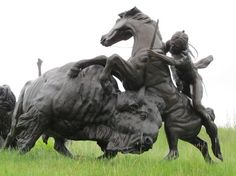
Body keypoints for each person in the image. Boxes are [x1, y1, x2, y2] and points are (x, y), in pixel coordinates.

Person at [148, 31, 214, 121]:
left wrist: (155, 55)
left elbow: (172, 61)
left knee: (197, 105)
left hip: (193, 82)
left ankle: (208, 121)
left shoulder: (184, 58)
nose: (172, 47)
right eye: (172, 43)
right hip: (181, 80)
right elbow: (163, 49)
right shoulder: (171, 43)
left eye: (175, 46)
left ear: (181, 48)